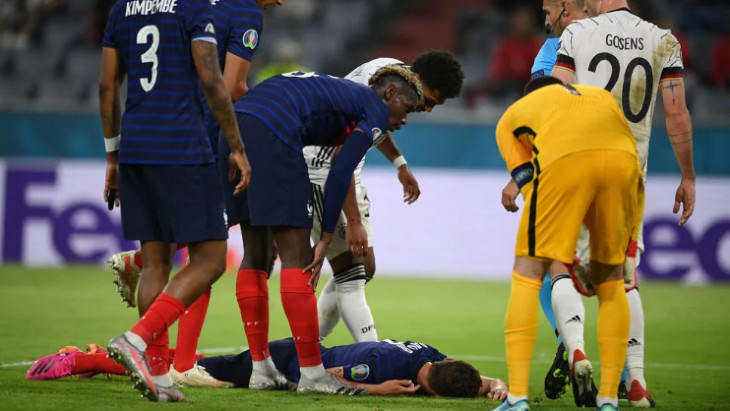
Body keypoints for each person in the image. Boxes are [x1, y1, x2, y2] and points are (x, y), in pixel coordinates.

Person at [104, 0, 282, 389]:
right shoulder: (244, 12)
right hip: (197, 141)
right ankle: (176, 359)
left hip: (138, 139)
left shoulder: (130, 9)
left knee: (166, 257)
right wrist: (244, 136)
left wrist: (111, 155)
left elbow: (108, 84)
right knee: (210, 252)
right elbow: (230, 85)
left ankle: (161, 367)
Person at [220, 66, 422, 395]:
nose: (405, 119)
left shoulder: (342, 93)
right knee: (297, 257)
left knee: (257, 254)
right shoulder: (373, 107)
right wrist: (327, 236)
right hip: (273, 132)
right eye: (407, 108)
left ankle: (261, 369)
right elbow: (340, 171)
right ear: (389, 93)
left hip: (233, 127)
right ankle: (313, 374)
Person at [551, 0, 695, 407]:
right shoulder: (663, 40)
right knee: (623, 276)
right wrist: (688, 176)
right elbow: (676, 114)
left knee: (560, 262)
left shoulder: (577, 33)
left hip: (578, 165)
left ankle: (577, 350)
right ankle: (636, 381)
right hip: (628, 172)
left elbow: (554, 100)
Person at [491, 76, 643, 411]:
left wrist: (559, 246)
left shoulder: (512, 116)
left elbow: (530, 184)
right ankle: (609, 400)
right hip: (625, 166)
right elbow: (628, 150)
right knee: (612, 281)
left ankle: (517, 398)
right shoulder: (600, 96)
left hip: (565, 165)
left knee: (528, 272)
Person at [311, 51, 464, 343]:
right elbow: (341, 160)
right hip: (324, 170)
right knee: (353, 272)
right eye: (430, 101)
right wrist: (354, 221)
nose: (427, 109)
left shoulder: (391, 76)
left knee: (364, 268)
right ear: (417, 80)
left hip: (347, 171)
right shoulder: (381, 84)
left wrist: (399, 163)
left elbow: (377, 127)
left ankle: (308, 347)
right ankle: (363, 352)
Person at [25, 338, 508, 400]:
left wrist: (492, 385)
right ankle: (82, 359)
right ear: (431, 391)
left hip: (293, 354)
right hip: (284, 362)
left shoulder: (431, 356)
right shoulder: (379, 367)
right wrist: (377, 390)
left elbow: (463, 373)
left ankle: (99, 356)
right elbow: (326, 375)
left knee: (185, 365)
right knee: (180, 370)